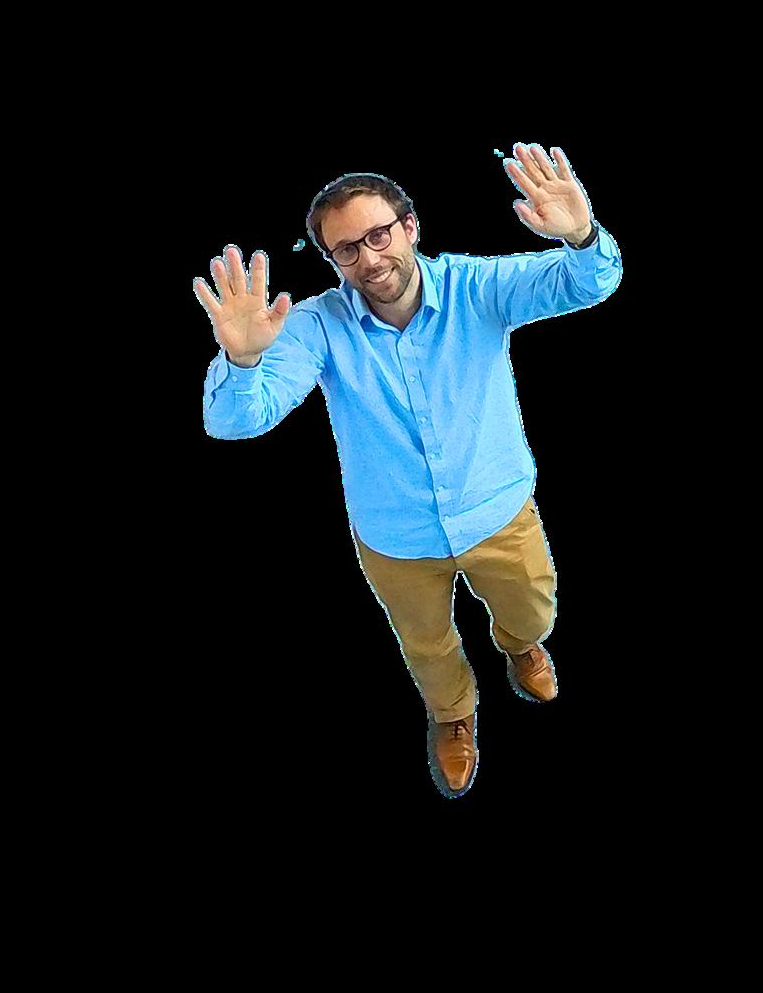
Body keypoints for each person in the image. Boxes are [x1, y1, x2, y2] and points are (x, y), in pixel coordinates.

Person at [193, 143, 624, 798]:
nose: (368, 259)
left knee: (535, 610)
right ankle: (453, 715)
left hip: (497, 511)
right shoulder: (315, 326)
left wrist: (582, 236)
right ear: (332, 259)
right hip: (395, 537)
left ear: (410, 226)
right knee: (426, 644)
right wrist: (244, 361)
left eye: (378, 235)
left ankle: (520, 646)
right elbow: (236, 420)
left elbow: (588, 282)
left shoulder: (476, 288)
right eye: (346, 249)